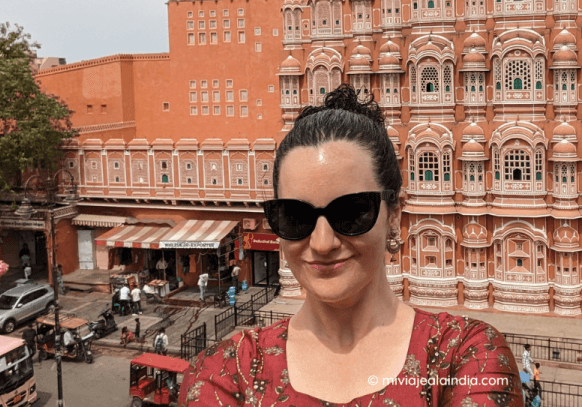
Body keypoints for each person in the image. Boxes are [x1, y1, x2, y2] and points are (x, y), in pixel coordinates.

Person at [178, 85, 523, 407]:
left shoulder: (465, 357)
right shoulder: (229, 371)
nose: (323, 243)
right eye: (296, 217)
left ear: (393, 215)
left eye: (352, 212)